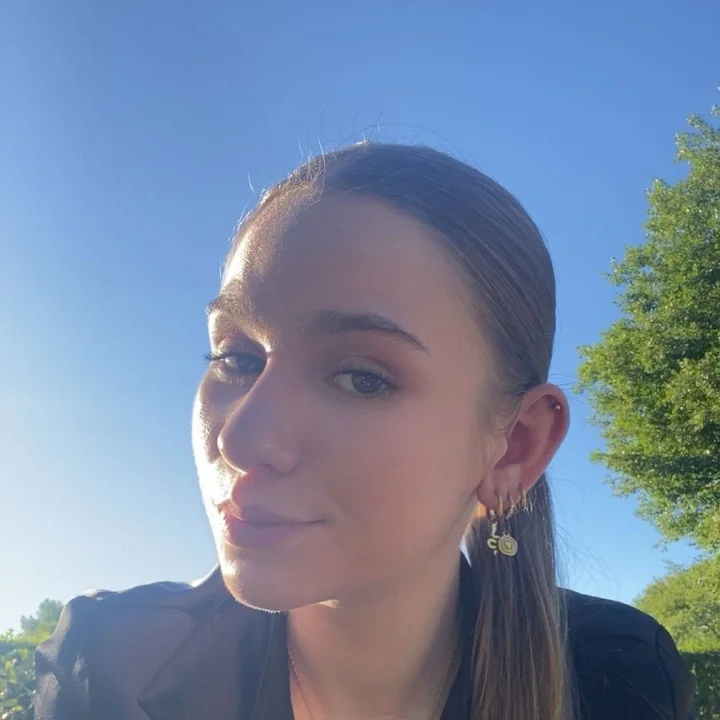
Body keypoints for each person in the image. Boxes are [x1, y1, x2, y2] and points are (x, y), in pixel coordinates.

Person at [35, 143, 695, 720]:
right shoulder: (109, 664)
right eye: (236, 359)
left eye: (361, 378)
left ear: (515, 447)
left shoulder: (615, 675)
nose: (239, 441)